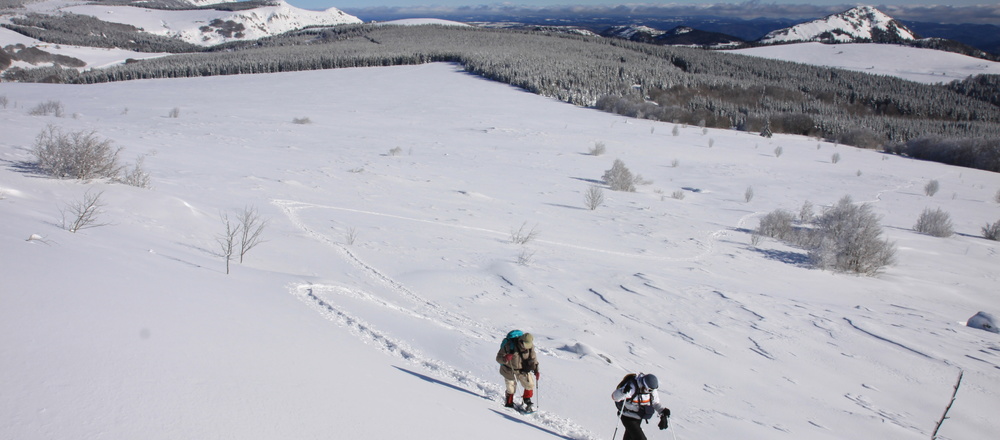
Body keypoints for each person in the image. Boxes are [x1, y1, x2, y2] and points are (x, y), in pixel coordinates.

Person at [611, 372, 670, 440]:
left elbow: (655, 403)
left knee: (629, 437)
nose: (651, 391)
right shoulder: (632, 387)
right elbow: (615, 397)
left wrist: (662, 411)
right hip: (627, 416)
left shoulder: (651, 390)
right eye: (650, 390)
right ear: (645, 386)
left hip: (638, 417)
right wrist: (623, 392)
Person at [496, 331, 540, 411]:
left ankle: (527, 400)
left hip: (523, 370)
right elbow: (498, 358)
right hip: (509, 370)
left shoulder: (530, 347)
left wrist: (536, 370)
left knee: (530, 384)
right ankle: (509, 402)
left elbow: (533, 358)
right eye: (525, 345)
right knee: (511, 388)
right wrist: (505, 359)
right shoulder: (509, 346)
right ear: (521, 341)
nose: (526, 348)